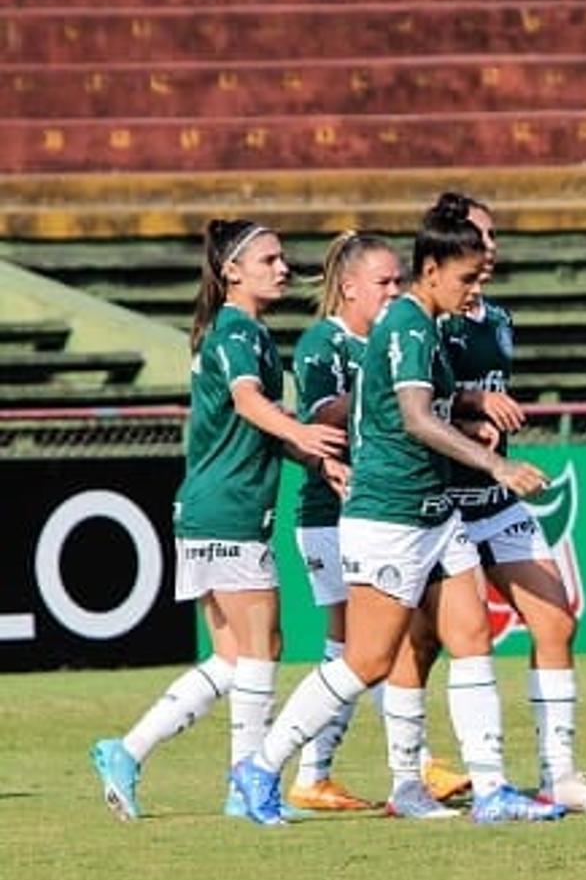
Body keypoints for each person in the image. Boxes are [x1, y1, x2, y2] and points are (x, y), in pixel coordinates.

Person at [231, 208, 560, 824]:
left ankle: (488, 790)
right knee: (367, 661)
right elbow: (413, 416)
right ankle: (259, 767)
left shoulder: (426, 324)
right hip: (390, 517)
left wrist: (468, 413)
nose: (473, 290)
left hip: (435, 516)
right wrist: (495, 467)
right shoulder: (409, 326)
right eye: (464, 278)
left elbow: (417, 407)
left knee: (470, 637)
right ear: (430, 271)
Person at [89, 219, 345, 820]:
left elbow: (253, 421)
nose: (283, 268)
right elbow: (249, 403)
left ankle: (128, 750)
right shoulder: (235, 331)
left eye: (283, 258)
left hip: (210, 507)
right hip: (227, 509)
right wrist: (303, 431)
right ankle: (245, 785)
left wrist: (310, 456)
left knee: (235, 658)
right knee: (262, 647)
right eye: (269, 260)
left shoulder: (245, 332)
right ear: (232, 271)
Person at [414, 191, 586, 814]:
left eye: (494, 237)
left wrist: (492, 420)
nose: (491, 248)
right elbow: (411, 406)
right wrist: (475, 410)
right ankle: (413, 769)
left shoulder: (498, 320)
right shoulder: (428, 320)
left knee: (557, 619)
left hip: (495, 500)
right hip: (440, 503)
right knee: (417, 644)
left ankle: (558, 774)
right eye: (480, 237)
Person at [285, 231, 404, 812]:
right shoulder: (321, 344)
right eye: (384, 282)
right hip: (331, 514)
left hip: (375, 510)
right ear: (349, 286)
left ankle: (316, 772)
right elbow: (323, 415)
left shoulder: (385, 338)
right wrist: (386, 392)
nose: (395, 291)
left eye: (398, 281)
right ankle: (408, 763)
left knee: (366, 643)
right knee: (357, 645)